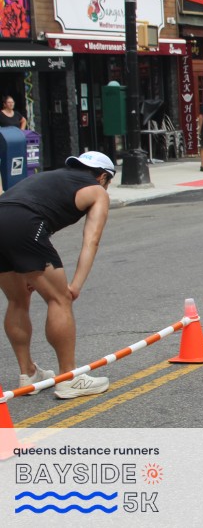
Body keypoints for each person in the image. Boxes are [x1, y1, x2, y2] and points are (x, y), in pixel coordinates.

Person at [0, 151, 115, 398]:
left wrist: (29, 269)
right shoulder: (97, 191)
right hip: (25, 223)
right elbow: (91, 241)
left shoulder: (53, 177)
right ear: (103, 176)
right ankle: (68, 378)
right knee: (59, 299)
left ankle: (28, 373)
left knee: (17, 300)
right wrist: (74, 286)